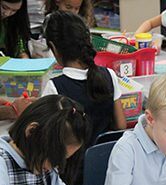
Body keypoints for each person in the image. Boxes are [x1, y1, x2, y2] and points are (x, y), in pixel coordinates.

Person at [42, 11, 126, 146]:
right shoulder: (109, 75)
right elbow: (121, 125)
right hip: (105, 159)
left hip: (73, 164)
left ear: (53, 48)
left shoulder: (54, 87)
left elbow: (48, 137)